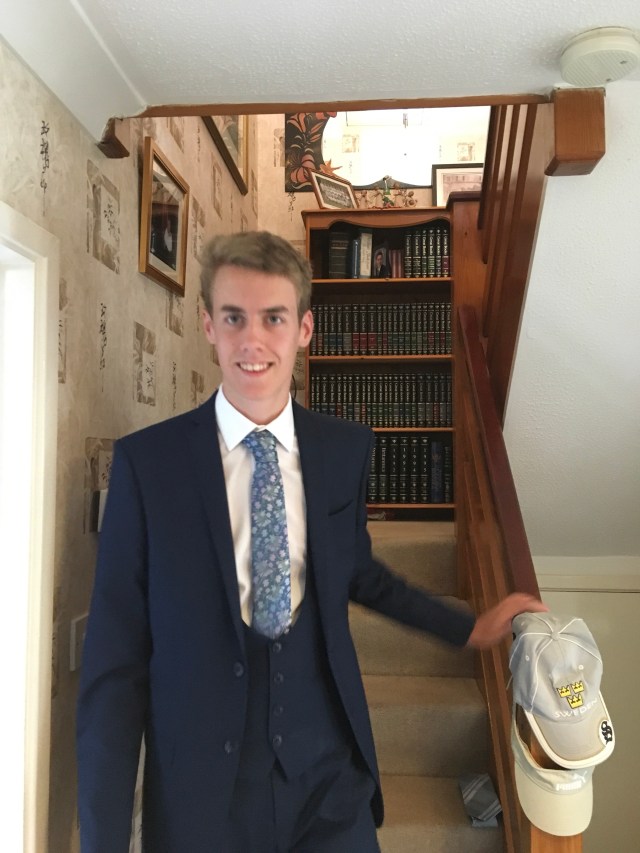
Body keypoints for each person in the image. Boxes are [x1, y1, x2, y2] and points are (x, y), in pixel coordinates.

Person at [77, 230, 546, 853]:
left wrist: (468, 627)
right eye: (234, 317)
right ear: (208, 325)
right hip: (202, 796)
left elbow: (358, 572)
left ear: (304, 329)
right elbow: (114, 672)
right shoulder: (147, 466)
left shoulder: (342, 449)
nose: (252, 340)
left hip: (329, 780)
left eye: (273, 318)